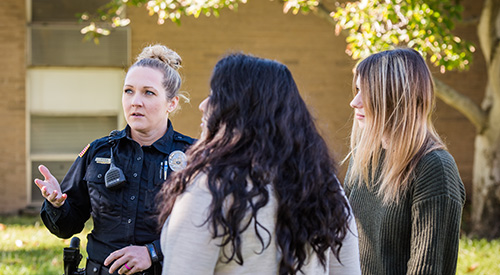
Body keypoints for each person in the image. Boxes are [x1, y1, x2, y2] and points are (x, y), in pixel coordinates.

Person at [157, 53, 361, 275]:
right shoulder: (323, 184)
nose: (203, 105)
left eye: (216, 95)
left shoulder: (212, 185)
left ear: (239, 112)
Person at [35, 44, 194, 275]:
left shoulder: (195, 156)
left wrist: (153, 252)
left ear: (172, 103)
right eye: (128, 91)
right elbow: (67, 227)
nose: (135, 101)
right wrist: (57, 204)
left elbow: (209, 227)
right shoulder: (98, 152)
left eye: (148, 92)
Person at [344, 48, 466, 274]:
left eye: (366, 92)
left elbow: (427, 269)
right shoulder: (362, 157)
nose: (354, 102)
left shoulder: (434, 168)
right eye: (357, 89)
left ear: (394, 97)